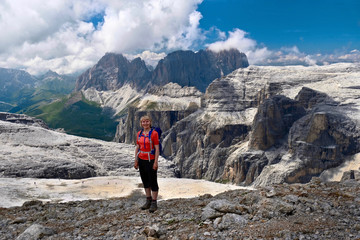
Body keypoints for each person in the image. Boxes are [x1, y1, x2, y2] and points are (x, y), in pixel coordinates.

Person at [134, 115, 160, 213]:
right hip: (141, 159)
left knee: (153, 180)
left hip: (151, 160)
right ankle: (148, 200)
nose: (145, 123)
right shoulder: (139, 133)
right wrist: (136, 160)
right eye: (143, 122)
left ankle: (154, 202)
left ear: (150, 122)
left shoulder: (154, 133)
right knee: (145, 180)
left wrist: (156, 161)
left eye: (147, 121)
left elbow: (157, 148)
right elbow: (137, 146)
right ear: (141, 123)